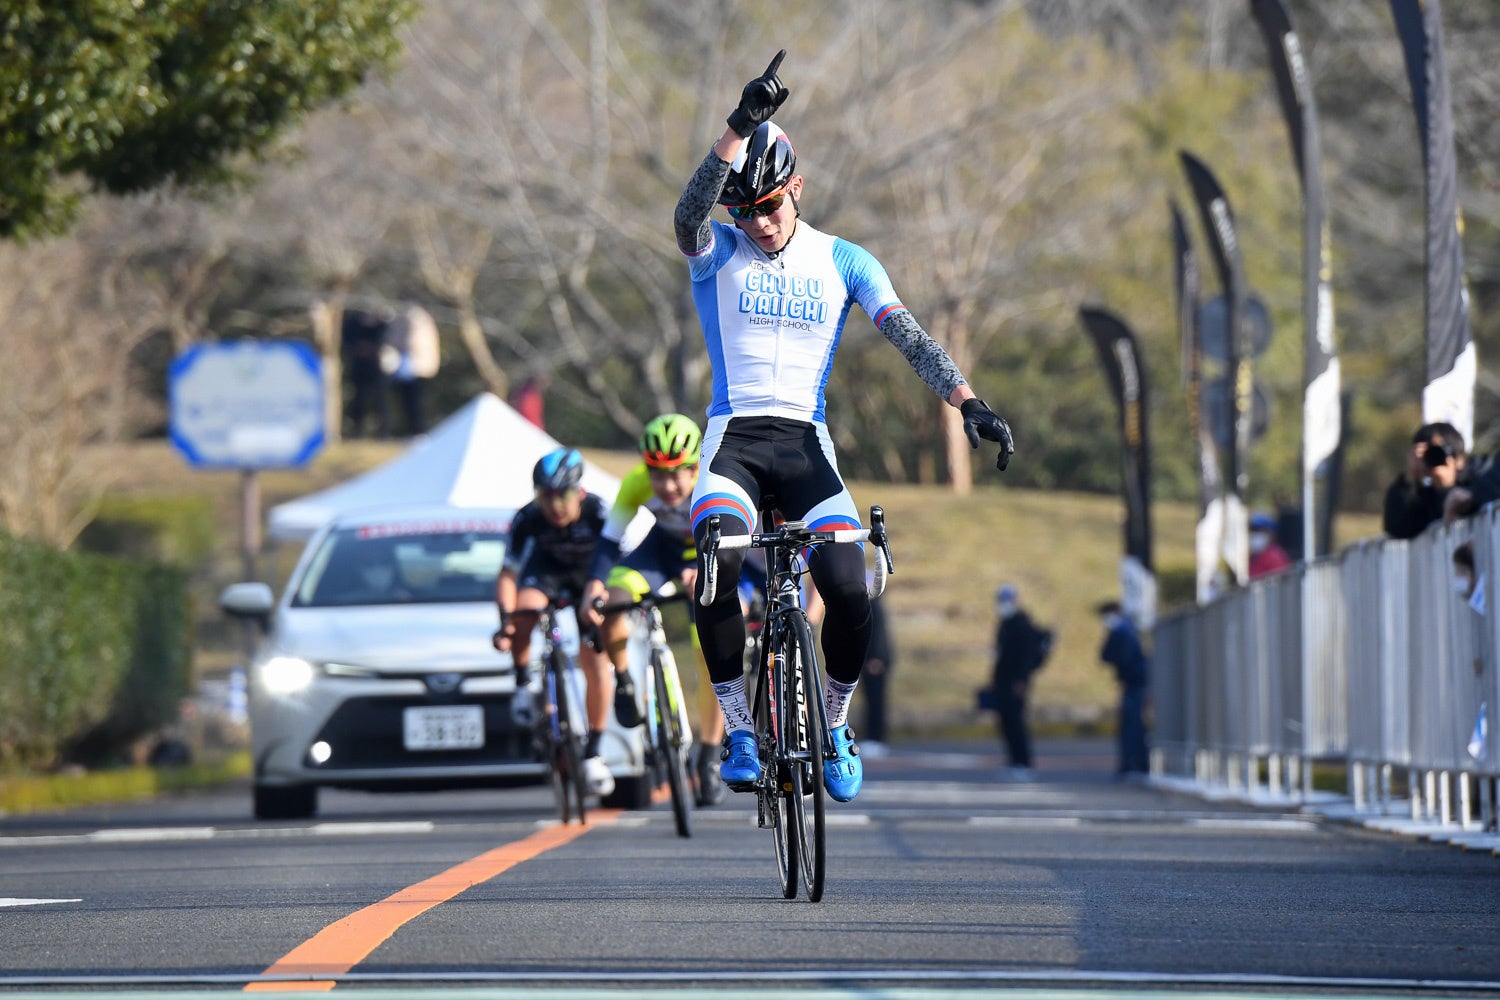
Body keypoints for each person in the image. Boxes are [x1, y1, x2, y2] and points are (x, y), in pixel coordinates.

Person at [674, 51, 1015, 803]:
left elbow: (910, 337)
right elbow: (686, 212)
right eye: (746, 212)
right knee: (718, 571)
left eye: (770, 206)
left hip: (804, 444)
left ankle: (832, 724)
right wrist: (739, 124)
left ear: (796, 187)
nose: (759, 223)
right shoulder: (716, 252)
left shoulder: (844, 260)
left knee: (850, 589)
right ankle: (737, 728)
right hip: (733, 442)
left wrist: (969, 402)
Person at [581, 413, 730, 806]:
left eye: (677, 474)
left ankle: (709, 757)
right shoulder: (636, 485)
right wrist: (594, 585)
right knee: (614, 598)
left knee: (710, 656)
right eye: (656, 474)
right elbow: (609, 543)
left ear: (696, 466)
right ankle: (626, 680)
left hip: (709, 553)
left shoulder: (717, 482)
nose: (665, 486)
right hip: (660, 553)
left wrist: (704, 567)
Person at [492, 448, 618, 797]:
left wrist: (602, 598)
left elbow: (619, 561)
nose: (554, 506)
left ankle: (594, 749)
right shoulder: (527, 518)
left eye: (561, 496)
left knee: (595, 651)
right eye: (544, 496)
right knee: (525, 610)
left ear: (579, 491)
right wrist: (505, 622)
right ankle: (522, 682)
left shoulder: (598, 511)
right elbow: (507, 575)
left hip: (588, 577)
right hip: (545, 574)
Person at [992, 584, 1045, 779]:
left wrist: (1021, 679)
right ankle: (1014, 761)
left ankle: (1023, 762)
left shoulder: (1022, 624)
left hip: (1016, 682)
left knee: (1016, 723)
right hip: (1003, 680)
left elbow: (1026, 656)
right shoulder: (1005, 623)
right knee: (1006, 722)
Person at [1383, 422, 1466, 539]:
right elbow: (1398, 528)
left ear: (1460, 459)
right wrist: (1410, 479)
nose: (1434, 457)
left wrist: (1448, 487)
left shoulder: (1474, 486)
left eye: (1439, 451)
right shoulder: (1423, 498)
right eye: (1428, 453)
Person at [1097, 599, 1150, 777]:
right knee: (1134, 723)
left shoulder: (1123, 631)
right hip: (1134, 681)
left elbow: (1111, 656)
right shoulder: (1126, 629)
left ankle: (1132, 764)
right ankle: (1138, 764)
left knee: (1131, 723)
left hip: (1134, 682)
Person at [381, 303, 441, 437]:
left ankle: (418, 430)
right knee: (405, 401)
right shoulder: (401, 318)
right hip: (407, 368)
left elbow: (412, 342)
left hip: (417, 367)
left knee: (415, 400)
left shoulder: (419, 320)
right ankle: (411, 430)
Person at [342, 307, 390, 439]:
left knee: (380, 401)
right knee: (359, 400)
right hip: (359, 366)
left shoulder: (382, 324)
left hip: (377, 367)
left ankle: (383, 432)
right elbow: (347, 341)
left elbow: (385, 340)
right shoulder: (352, 323)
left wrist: (373, 349)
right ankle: (358, 431)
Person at [858, 592, 894, 757]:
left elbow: (878, 633)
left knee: (876, 702)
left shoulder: (873, 606)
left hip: (875, 662)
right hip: (870, 661)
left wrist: (876, 657)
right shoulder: (870, 605)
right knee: (870, 701)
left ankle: (876, 739)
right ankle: (873, 738)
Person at [1248, 512, 1293, 579]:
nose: (1255, 534)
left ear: (1270, 533)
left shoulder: (1275, 556)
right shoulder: (1255, 556)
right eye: (1253, 531)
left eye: (1259, 531)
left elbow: (1280, 582)